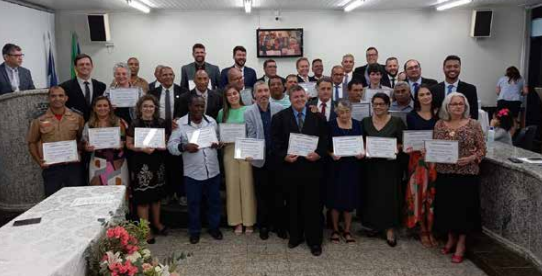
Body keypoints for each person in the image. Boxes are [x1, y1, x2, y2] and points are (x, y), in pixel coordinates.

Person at [271, 85, 328, 256]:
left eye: (302, 96)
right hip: (290, 170)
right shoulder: (280, 117)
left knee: (313, 207)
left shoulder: (318, 117)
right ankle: (295, 236)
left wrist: (319, 154)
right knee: (293, 205)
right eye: (295, 97)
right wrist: (284, 156)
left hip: (313, 170)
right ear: (289, 98)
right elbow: (274, 143)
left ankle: (315, 241)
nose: (299, 100)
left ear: (307, 97)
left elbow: (326, 139)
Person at [434, 92, 486, 263]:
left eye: (460, 104)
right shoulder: (440, 125)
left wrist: (471, 158)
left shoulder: (474, 125)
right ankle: (450, 238)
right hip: (445, 174)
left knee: (464, 210)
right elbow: (436, 147)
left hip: (467, 175)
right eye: (453, 104)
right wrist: (431, 152)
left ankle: (461, 243)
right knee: (447, 208)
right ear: (447, 107)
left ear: (465, 107)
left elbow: (482, 149)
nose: (457, 107)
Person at [168, 94, 223, 244]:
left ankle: (214, 228)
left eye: (201, 106)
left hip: (212, 170)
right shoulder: (180, 124)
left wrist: (217, 144)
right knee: (193, 204)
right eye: (196, 106)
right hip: (193, 173)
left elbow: (218, 139)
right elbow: (171, 146)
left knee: (214, 202)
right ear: (189, 106)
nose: (199, 109)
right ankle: (194, 231)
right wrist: (184, 146)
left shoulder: (211, 121)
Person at [360, 92, 405, 247]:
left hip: (390, 166)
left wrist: (395, 148)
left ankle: (390, 228)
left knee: (389, 196)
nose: (378, 107)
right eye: (375, 104)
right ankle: (374, 225)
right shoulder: (365, 121)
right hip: (371, 166)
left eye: (381, 104)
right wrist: (364, 149)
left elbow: (403, 143)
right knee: (372, 195)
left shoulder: (397, 122)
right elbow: (361, 142)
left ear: (388, 105)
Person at [245, 81, 286, 240]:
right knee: (262, 195)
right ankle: (264, 226)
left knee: (278, 194)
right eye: (259, 91)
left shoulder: (279, 109)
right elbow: (250, 134)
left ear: (269, 92)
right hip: (259, 159)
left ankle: (279, 226)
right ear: (254, 94)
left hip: (277, 159)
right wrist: (249, 151)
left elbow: (283, 134)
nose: (263, 94)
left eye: (265, 90)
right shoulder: (249, 112)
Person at [27, 86, 85, 197]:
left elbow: (81, 139)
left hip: (73, 166)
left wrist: (80, 150)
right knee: (52, 200)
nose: (57, 98)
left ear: (66, 98)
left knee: (75, 197)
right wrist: (39, 162)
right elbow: (32, 142)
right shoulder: (39, 119)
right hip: (52, 168)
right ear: (48, 98)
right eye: (53, 96)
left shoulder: (77, 117)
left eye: (60, 95)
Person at [126, 95, 168, 243]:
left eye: (151, 106)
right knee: (143, 198)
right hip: (141, 163)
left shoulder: (161, 123)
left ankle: (157, 224)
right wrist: (142, 149)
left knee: (156, 196)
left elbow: (166, 141)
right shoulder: (135, 123)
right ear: (140, 108)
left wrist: (163, 144)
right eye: (145, 106)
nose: (148, 109)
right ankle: (146, 229)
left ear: (155, 108)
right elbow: (129, 144)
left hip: (157, 163)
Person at [217, 85, 256, 235]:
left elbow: (252, 131)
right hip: (229, 151)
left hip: (245, 150)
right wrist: (221, 141)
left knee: (247, 185)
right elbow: (220, 134)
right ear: (226, 98)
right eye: (229, 95)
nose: (232, 96)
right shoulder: (222, 113)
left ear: (239, 94)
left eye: (235, 93)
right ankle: (236, 221)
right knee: (232, 186)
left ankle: (249, 221)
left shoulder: (249, 110)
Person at [148, 66, 189, 205]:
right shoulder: (152, 93)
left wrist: (179, 119)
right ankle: (168, 193)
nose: (168, 77)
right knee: (163, 165)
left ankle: (181, 193)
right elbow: (150, 112)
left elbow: (186, 111)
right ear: (159, 76)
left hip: (177, 132)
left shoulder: (183, 92)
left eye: (171, 74)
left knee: (179, 164)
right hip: (159, 133)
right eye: (165, 74)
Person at [405, 84, 439, 248]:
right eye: (421, 95)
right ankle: (422, 229)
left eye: (428, 94)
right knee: (418, 195)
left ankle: (432, 229)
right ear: (416, 98)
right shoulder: (411, 116)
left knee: (432, 195)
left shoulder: (440, 114)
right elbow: (411, 140)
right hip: (417, 161)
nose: (425, 97)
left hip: (435, 160)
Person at [327, 99, 364, 244]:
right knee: (335, 200)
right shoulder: (330, 125)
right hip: (335, 167)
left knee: (349, 200)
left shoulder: (357, 124)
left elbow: (362, 143)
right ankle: (335, 230)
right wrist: (331, 154)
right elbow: (324, 146)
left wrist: (361, 153)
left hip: (352, 166)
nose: (344, 115)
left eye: (347, 111)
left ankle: (348, 230)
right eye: (341, 112)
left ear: (351, 111)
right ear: (336, 111)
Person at [82, 96, 129, 186]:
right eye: (99, 106)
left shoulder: (120, 122)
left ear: (110, 108)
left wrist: (123, 144)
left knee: (118, 189)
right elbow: (84, 143)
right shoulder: (89, 124)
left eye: (105, 105)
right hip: (98, 161)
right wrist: (87, 147)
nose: (102, 108)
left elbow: (129, 140)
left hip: (118, 161)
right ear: (94, 108)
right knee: (98, 190)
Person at [60, 54, 106, 121]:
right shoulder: (65, 87)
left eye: (87, 64)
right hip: (74, 125)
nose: (85, 66)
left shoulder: (101, 86)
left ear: (92, 66)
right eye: (81, 64)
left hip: (96, 125)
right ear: (75, 67)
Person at [430, 55, 479, 120]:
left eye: (456, 66)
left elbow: (473, 114)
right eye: (449, 67)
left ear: (460, 68)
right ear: (443, 68)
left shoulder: (470, 89)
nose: (452, 69)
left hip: (463, 127)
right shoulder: (434, 89)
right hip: (440, 126)